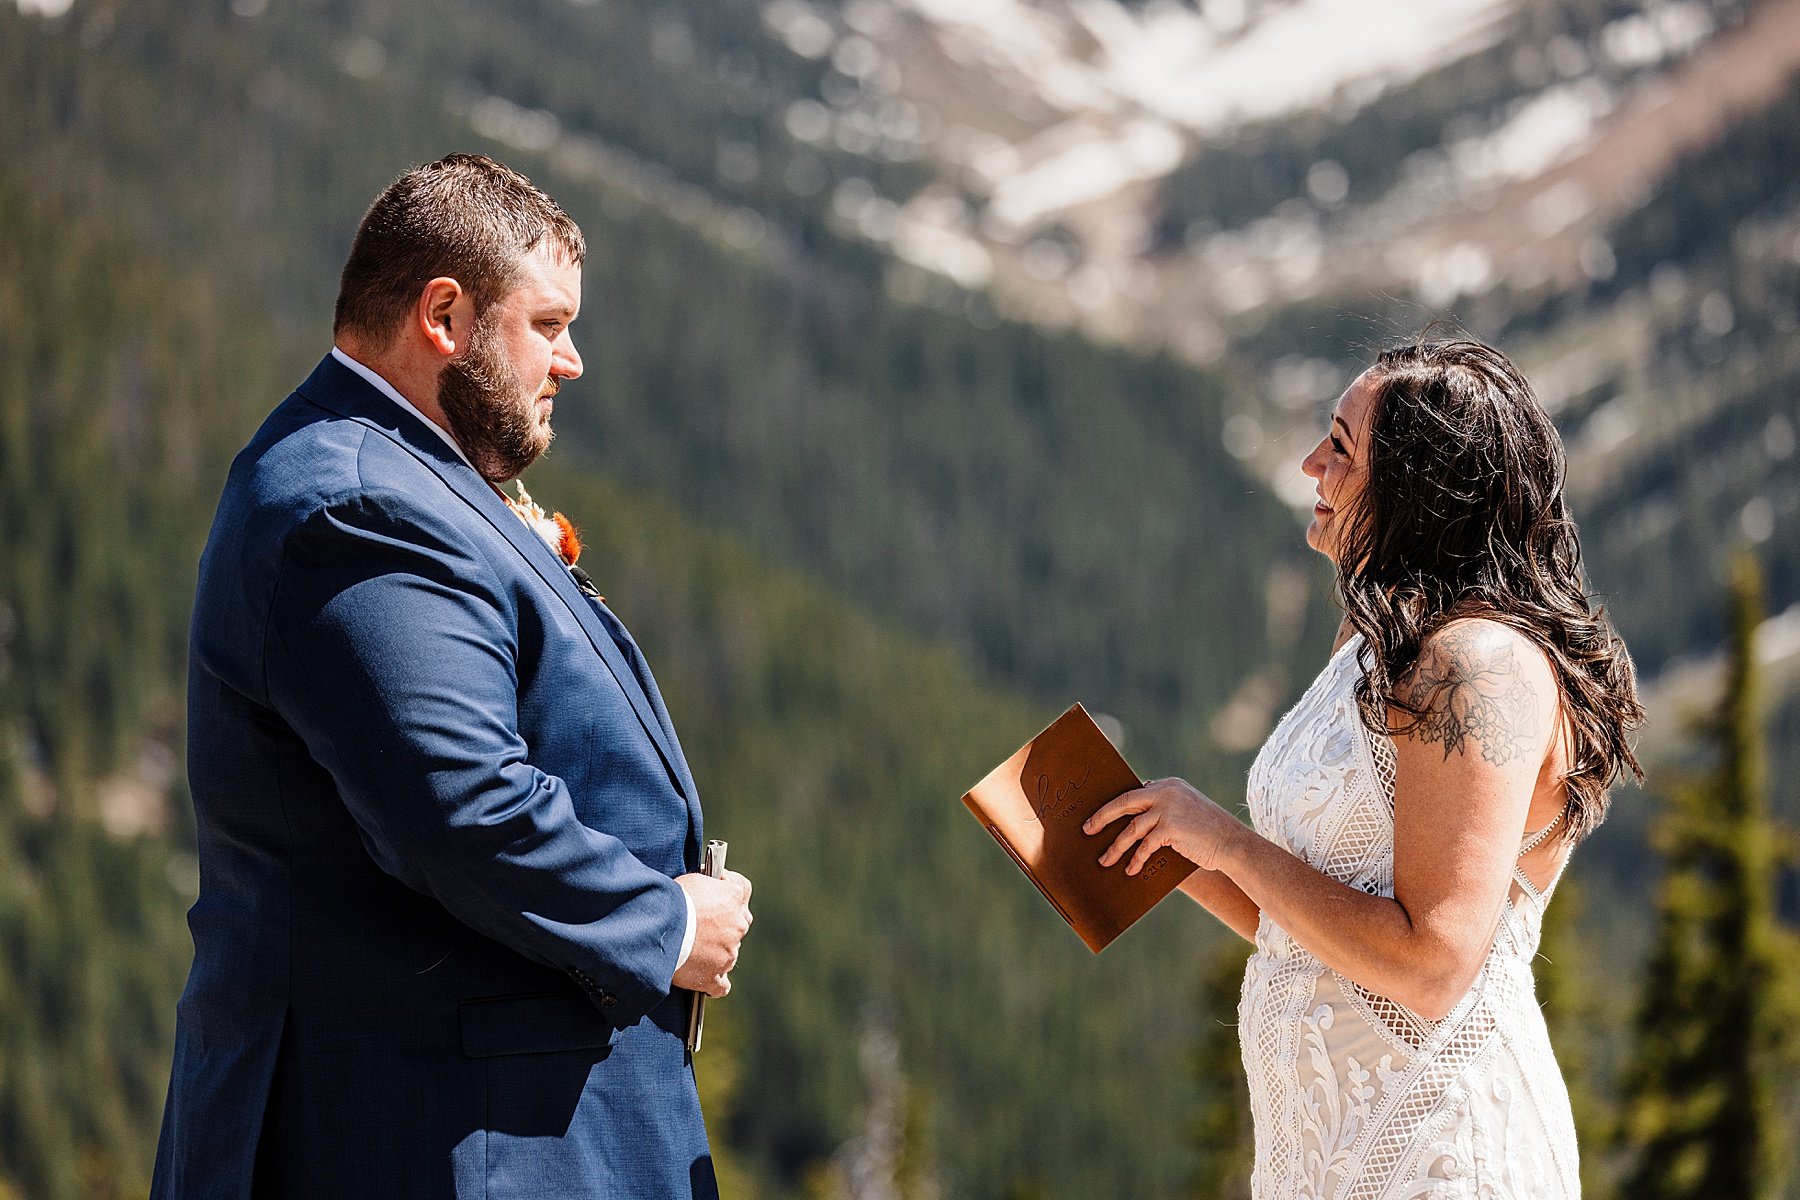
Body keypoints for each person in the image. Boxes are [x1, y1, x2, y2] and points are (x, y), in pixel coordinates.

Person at [151, 154, 753, 1199]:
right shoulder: (358, 506)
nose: (570, 363)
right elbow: (462, 809)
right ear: (443, 313)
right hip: (435, 1138)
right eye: (549, 324)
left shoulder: (399, 477)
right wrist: (665, 924)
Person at [1090, 339, 1642, 1197]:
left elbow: (1430, 964)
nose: (1311, 462)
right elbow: (1315, 922)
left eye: (1341, 447)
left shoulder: (1479, 667)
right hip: (1324, 1161)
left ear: (1421, 490)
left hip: (1446, 1158)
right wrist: (1170, 846)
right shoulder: (1374, 644)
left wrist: (1225, 839)